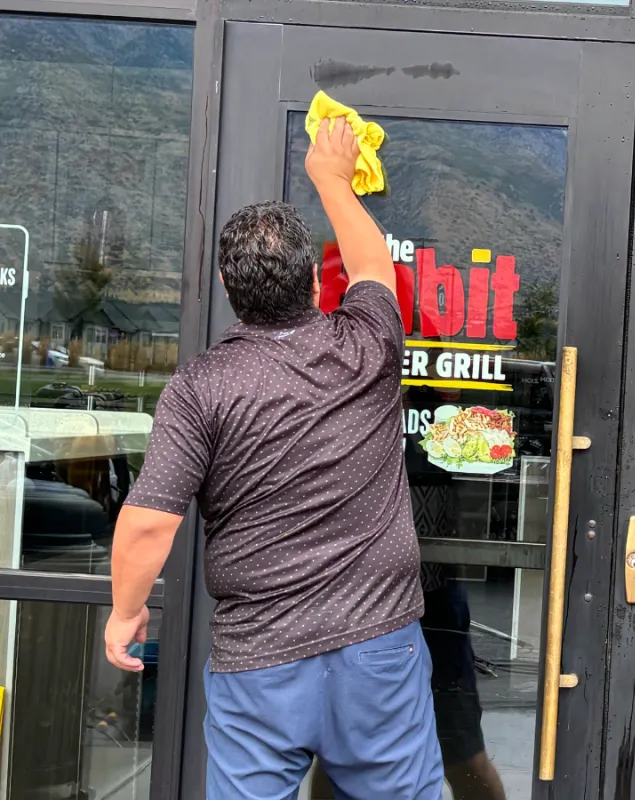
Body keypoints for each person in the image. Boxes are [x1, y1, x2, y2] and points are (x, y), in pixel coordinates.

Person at [102, 118, 443, 800]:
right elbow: (375, 265)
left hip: (259, 664)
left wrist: (125, 611)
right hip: (379, 652)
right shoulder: (365, 345)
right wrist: (331, 178)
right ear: (317, 284)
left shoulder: (201, 387)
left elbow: (147, 525)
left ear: (229, 288)